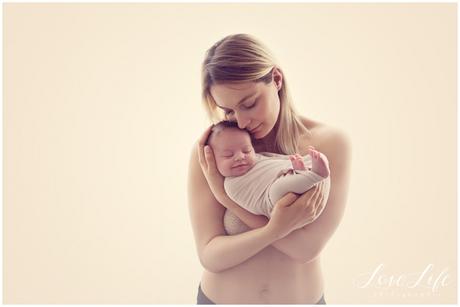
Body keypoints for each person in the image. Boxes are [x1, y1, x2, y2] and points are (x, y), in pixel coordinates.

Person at [187, 33, 351, 304]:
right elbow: (210, 255)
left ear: (276, 80)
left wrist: (226, 196)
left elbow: (305, 248)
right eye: (227, 111)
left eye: (249, 104)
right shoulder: (212, 151)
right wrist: (274, 229)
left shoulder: (329, 144)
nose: (240, 122)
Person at [206, 120, 330, 218]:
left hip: (287, 174)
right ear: (213, 160)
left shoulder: (259, 157)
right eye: (228, 155)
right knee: (279, 188)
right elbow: (255, 208)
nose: (240, 157)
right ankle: (316, 175)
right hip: (272, 200)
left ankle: (302, 173)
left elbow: (276, 160)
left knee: (309, 158)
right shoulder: (230, 186)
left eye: (246, 150)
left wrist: (292, 161)